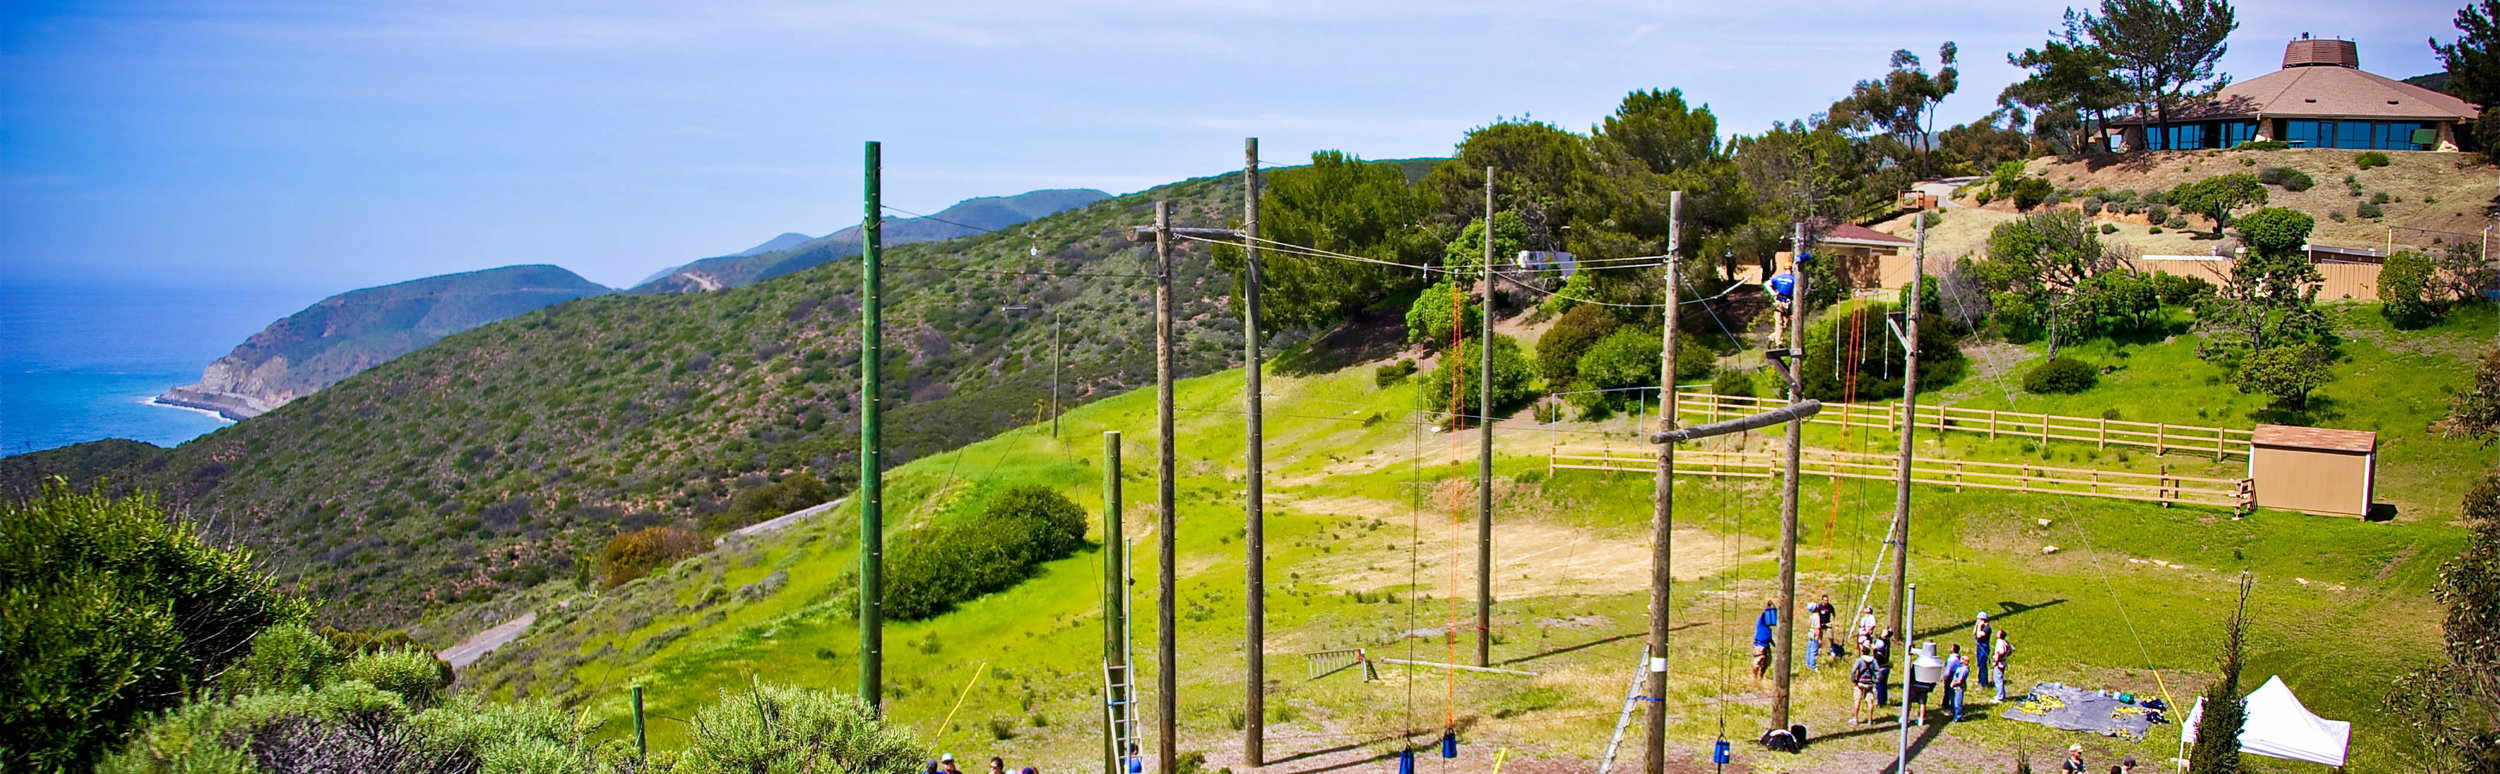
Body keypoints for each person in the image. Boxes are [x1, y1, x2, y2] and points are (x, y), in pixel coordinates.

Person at [1806, 594, 1836, 669]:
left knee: (1809, 649)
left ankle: (1808, 663)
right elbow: (1817, 629)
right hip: (1815, 633)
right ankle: (1812, 665)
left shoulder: (1812, 615)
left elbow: (1834, 614)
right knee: (1813, 650)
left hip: (1811, 632)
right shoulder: (1816, 616)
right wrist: (1819, 639)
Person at [1850, 653, 1880, 724]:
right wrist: (1876, 680)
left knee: (1857, 701)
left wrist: (1854, 679)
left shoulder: (1859, 660)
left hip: (1860, 683)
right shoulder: (1873, 661)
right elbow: (1878, 671)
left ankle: (1855, 719)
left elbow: (1853, 671)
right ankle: (1870, 720)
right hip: (1869, 683)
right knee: (1870, 702)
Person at [1752, 599, 1779, 679]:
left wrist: (1774, 645)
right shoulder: (1760, 622)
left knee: (1767, 662)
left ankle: (1761, 676)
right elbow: (1763, 614)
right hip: (1759, 644)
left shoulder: (1768, 627)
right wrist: (1768, 606)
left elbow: (1769, 638)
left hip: (1766, 644)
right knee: (1759, 660)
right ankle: (1754, 677)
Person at [1943, 645, 1970, 723]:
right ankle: (1953, 711)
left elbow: (1960, 680)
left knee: (1957, 701)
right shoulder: (1960, 667)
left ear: (1966, 662)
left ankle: (1958, 716)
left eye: (1962, 659)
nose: (1960, 659)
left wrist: (1953, 684)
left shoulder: (1964, 669)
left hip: (1958, 687)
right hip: (1955, 686)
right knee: (1953, 698)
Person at [1871, 629, 1896, 706]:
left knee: (1880, 685)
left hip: (1880, 668)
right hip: (1886, 667)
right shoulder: (1886, 642)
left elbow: (1875, 646)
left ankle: (1880, 702)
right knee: (1884, 685)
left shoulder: (1882, 643)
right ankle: (1884, 700)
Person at [1973, 611, 1995, 689]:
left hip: (1984, 649)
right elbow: (1974, 633)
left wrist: (1979, 626)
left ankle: (1984, 683)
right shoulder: (1981, 627)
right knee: (1979, 665)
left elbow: (1979, 635)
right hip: (1980, 648)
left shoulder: (1987, 628)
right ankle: (1980, 680)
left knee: (1983, 666)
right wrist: (1977, 626)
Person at [1993, 630, 2016, 702]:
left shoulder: (1999, 642)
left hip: (1999, 663)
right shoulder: (2005, 642)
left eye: (1998, 632)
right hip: (2003, 662)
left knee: (1998, 680)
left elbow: (2001, 651)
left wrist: (1997, 659)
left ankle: (2000, 697)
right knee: (1999, 679)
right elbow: (2012, 649)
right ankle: (2001, 695)